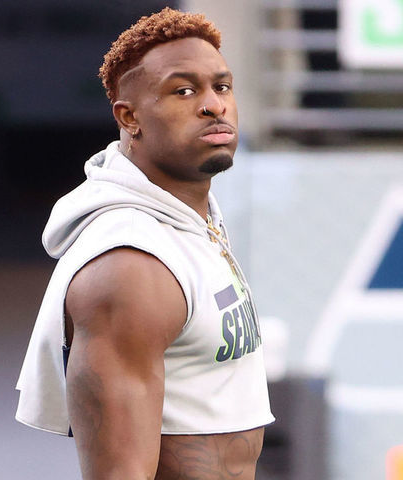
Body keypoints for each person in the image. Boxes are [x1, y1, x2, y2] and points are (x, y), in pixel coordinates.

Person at [15, 7, 274, 479]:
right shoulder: (131, 266)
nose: (214, 105)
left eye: (221, 86)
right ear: (129, 117)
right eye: (183, 91)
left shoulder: (191, 221)